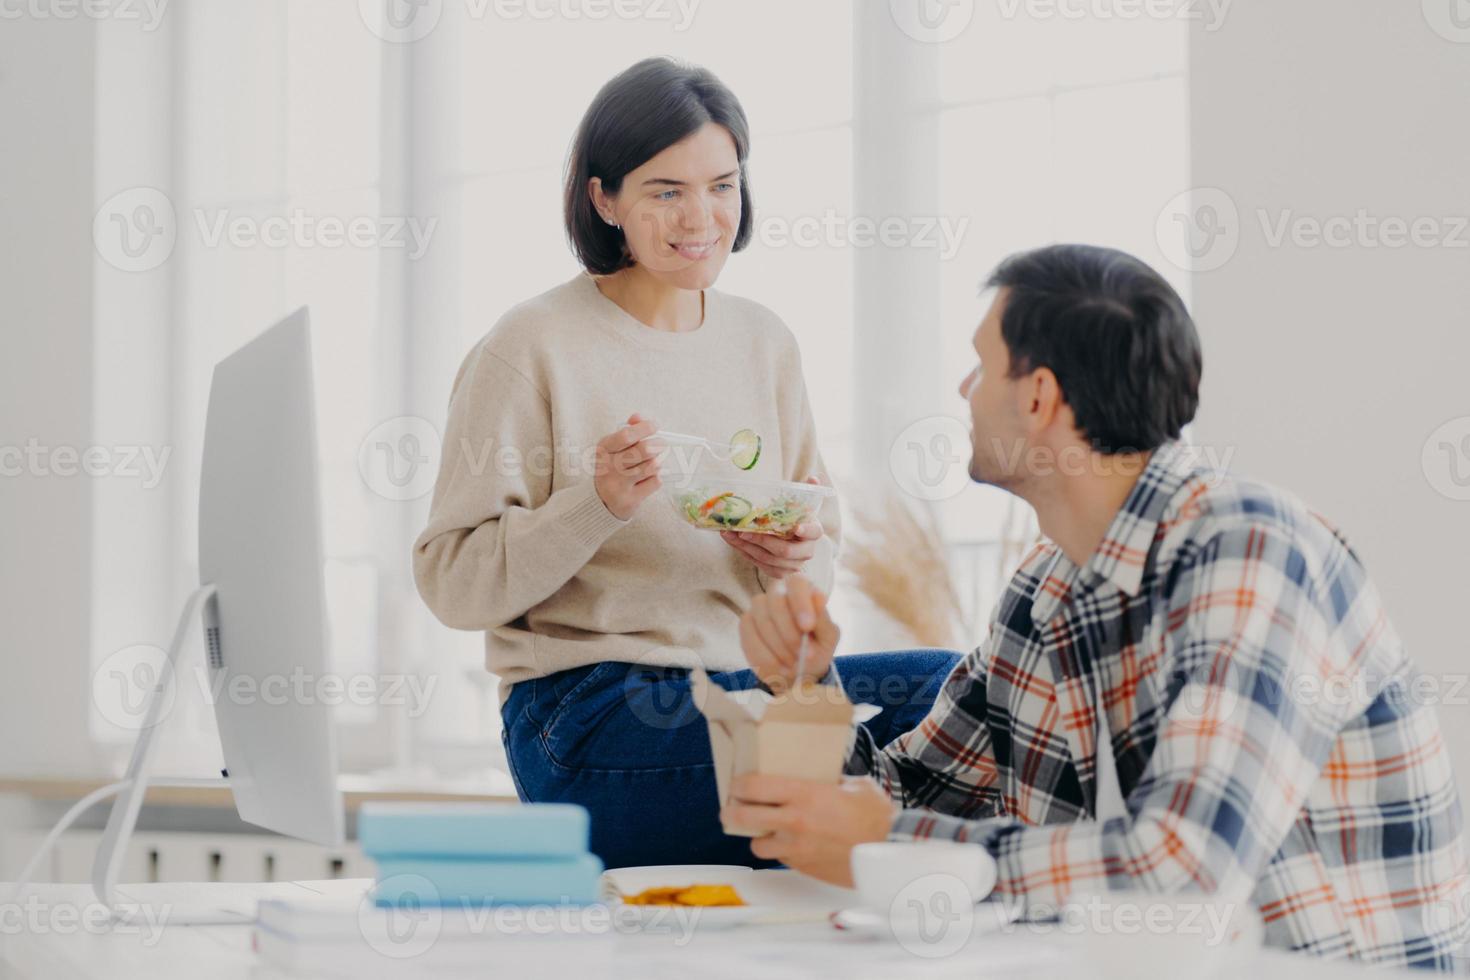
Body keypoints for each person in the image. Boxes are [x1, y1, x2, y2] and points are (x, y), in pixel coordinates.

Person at [724, 243, 1470, 968]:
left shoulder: (1250, 552)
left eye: (981, 365)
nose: (962, 390)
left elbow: (1183, 870)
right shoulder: (1043, 593)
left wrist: (892, 841)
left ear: (1039, 396)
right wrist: (803, 686)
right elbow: (895, 797)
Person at [412, 57, 959, 869]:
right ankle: (874, 844)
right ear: (605, 201)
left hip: (745, 687)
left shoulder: (763, 342)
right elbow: (450, 581)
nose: (700, 217)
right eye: (665, 191)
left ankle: (918, 872)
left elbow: (817, 538)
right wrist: (595, 503)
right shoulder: (532, 347)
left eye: (722, 185)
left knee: (956, 692)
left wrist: (794, 559)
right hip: (588, 712)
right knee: (873, 764)